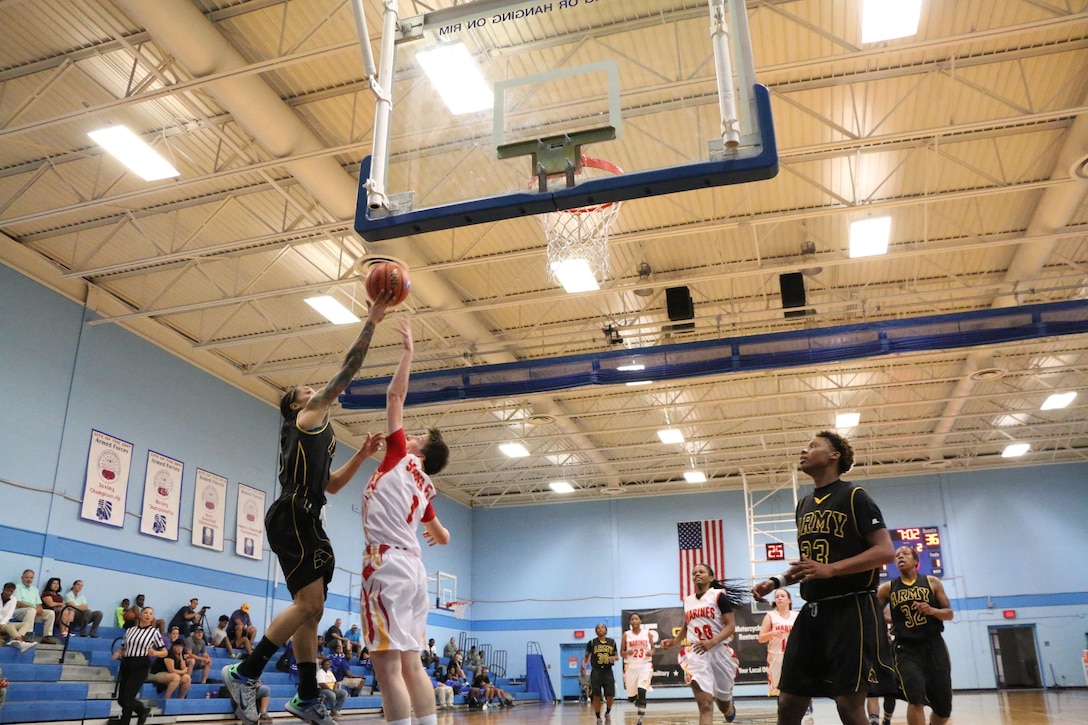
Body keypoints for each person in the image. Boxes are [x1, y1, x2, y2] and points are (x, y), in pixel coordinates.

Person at [222, 294, 390, 725]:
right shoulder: (307, 419)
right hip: (294, 513)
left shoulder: (320, 434)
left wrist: (362, 455)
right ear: (298, 405)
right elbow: (348, 370)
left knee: (310, 607)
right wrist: (372, 319)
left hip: (303, 511)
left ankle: (307, 696)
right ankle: (245, 671)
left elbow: (330, 484)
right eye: (306, 391)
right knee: (310, 603)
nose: (315, 391)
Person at [751, 431, 900, 725]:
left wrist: (832, 569)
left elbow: (885, 551)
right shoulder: (804, 504)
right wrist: (776, 582)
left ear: (834, 456)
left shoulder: (855, 495)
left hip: (852, 608)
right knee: (789, 702)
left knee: (848, 704)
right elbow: (811, 565)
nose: (803, 451)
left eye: (812, 446)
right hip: (814, 611)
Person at [362, 313, 452, 725]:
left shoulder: (400, 457)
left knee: (387, 667)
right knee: (412, 663)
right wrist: (434, 534)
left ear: (421, 451)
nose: (409, 434)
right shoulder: (426, 489)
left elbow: (394, 398)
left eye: (417, 437)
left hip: (387, 563)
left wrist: (408, 352)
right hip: (415, 570)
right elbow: (444, 536)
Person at [876, 545, 954, 725]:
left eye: (904, 554)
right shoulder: (887, 588)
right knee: (915, 698)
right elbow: (873, 613)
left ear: (916, 561)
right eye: (897, 555)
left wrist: (932, 610)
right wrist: (889, 620)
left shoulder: (932, 582)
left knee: (943, 711)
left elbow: (949, 613)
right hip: (906, 648)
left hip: (934, 646)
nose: (900, 557)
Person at [661, 564, 743, 725]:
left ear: (711, 578)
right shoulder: (688, 601)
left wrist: (712, 642)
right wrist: (675, 641)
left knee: (723, 704)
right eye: (694, 573)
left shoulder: (719, 596)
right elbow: (687, 625)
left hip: (719, 651)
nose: (697, 574)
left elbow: (731, 625)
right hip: (696, 653)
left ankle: (729, 706)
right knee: (705, 705)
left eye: (701, 572)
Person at [113, 605, 168, 725]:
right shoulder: (130, 630)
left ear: (152, 618)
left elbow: (164, 652)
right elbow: (124, 646)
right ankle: (134, 715)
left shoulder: (154, 632)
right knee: (122, 699)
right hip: (127, 662)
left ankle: (141, 711)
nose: (148, 615)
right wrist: (118, 653)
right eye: (146, 613)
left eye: (151, 614)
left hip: (141, 664)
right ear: (141, 615)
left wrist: (155, 652)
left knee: (128, 697)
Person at [757, 588, 798, 697]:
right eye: (777, 596)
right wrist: (772, 633)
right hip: (776, 656)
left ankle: (807, 710)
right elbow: (761, 638)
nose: (779, 598)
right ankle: (783, 711)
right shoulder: (770, 616)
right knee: (778, 688)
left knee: (798, 683)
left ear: (789, 600)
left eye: (782, 596)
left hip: (794, 655)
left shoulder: (797, 615)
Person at [621, 613, 658, 725]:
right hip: (631, 666)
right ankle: (636, 700)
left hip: (645, 665)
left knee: (642, 690)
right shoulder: (626, 635)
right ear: (630, 622)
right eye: (632, 619)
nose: (634, 621)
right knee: (632, 698)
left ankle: (640, 719)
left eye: (636, 619)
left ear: (640, 621)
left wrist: (650, 652)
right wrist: (627, 652)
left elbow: (653, 649)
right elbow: (621, 653)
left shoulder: (647, 634)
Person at [582, 622, 618, 724]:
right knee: (596, 695)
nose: (600, 629)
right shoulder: (592, 643)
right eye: (598, 628)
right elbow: (586, 656)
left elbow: (617, 656)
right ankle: (598, 717)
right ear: (596, 631)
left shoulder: (612, 642)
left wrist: (613, 658)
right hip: (596, 671)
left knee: (610, 695)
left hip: (608, 671)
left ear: (606, 630)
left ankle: (608, 712)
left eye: (602, 627)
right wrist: (583, 664)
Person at [13, 569, 57, 644]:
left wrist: (39, 609)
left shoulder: (34, 589)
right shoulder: (17, 587)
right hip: (19, 612)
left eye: (31, 578)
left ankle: (47, 637)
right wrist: (35, 609)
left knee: (50, 613)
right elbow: (18, 603)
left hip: (32, 613)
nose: (29, 580)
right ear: (22, 577)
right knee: (31, 610)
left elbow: (39, 603)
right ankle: (28, 634)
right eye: (27, 577)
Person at [1, 582, 37, 652]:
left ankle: (15, 640)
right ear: (3, 589)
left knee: (26, 624)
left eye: (11, 591)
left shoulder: (13, 599)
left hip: (5, 623)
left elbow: (9, 614)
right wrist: (2, 623)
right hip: (2, 623)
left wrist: (3, 623)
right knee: (10, 626)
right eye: (7, 591)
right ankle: (21, 641)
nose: (9, 593)